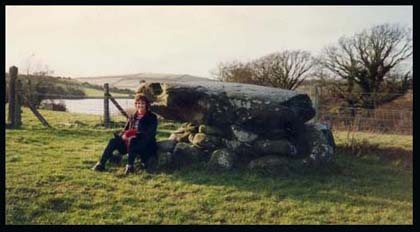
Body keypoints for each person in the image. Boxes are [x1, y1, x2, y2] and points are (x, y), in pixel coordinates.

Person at [92, 94, 158, 175]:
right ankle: (101, 164)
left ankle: (130, 167)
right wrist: (121, 136)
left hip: (144, 145)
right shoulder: (133, 116)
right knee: (113, 141)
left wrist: (133, 134)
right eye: (138, 103)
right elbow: (125, 130)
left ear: (146, 104)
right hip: (129, 143)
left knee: (133, 140)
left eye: (142, 103)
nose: (140, 105)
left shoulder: (152, 117)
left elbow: (150, 134)